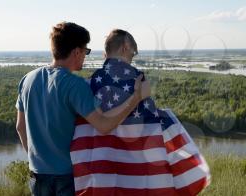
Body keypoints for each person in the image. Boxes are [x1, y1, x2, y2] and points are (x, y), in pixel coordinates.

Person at [15, 22, 150, 196]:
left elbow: (20, 126)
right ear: (76, 52)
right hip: (67, 177)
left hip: (37, 175)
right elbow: (103, 125)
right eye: (85, 51)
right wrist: (136, 98)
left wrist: (35, 160)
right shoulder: (74, 85)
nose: (85, 56)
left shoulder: (27, 79)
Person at [70, 29, 210, 195]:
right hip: (136, 179)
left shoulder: (88, 84)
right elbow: (152, 124)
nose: (131, 59)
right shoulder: (139, 81)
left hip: (102, 176)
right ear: (125, 47)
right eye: (132, 54)